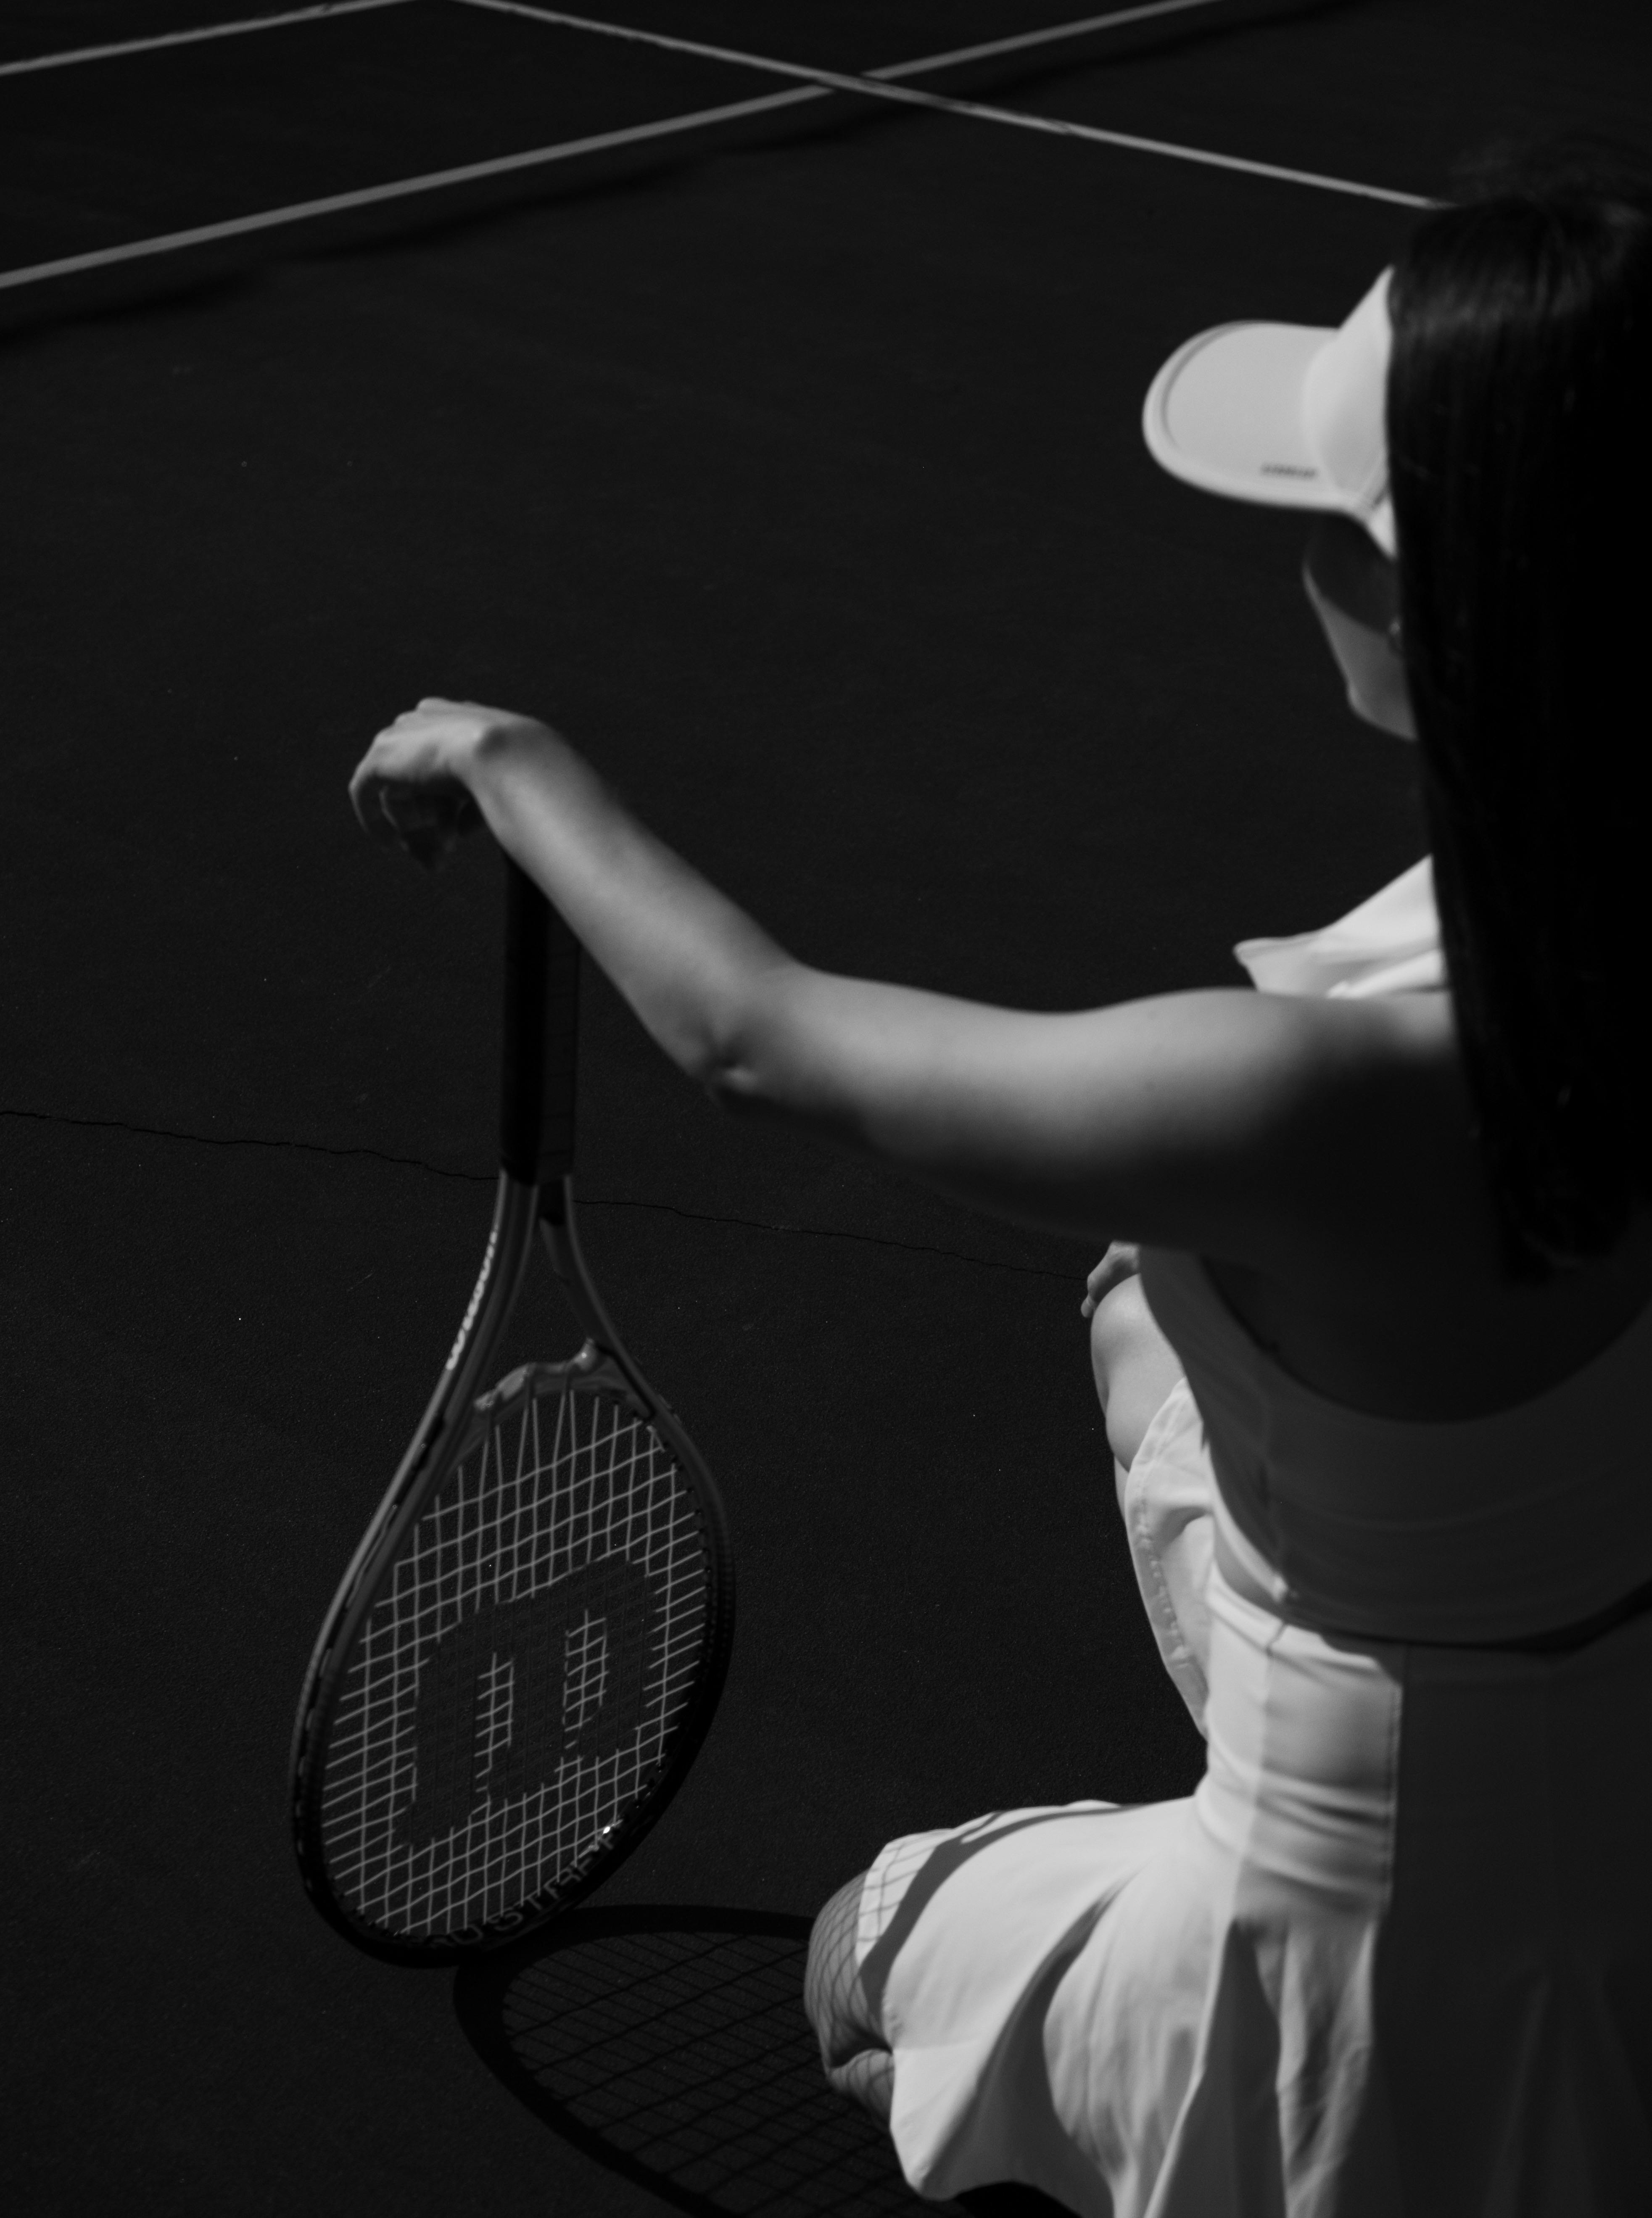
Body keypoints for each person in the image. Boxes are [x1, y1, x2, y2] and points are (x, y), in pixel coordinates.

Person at [350, 146, 1652, 2215]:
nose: (1291, 557)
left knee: (855, 1971)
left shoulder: (1307, 1096)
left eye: (1318, 521)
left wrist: (517, 766)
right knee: (1160, 1310)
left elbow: (755, 1038)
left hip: (1365, 1926)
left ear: (1420, 593)